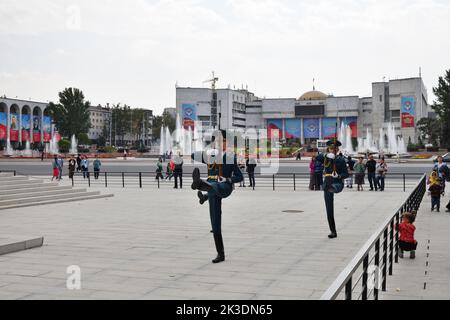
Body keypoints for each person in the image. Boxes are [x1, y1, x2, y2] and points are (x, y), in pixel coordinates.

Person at [191, 129, 243, 263]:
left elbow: (240, 177)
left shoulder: (231, 157)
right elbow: (192, 155)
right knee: (215, 223)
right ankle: (220, 254)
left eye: (222, 141)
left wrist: (228, 180)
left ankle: (202, 187)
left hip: (225, 186)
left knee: (214, 186)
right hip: (213, 189)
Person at [315, 139, 349, 239]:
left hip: (337, 182)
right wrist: (326, 155)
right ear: (328, 149)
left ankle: (333, 188)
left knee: (335, 187)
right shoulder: (326, 157)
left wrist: (338, 176)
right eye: (331, 149)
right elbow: (317, 157)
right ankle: (333, 231)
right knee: (329, 209)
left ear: (337, 150)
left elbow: (346, 174)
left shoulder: (341, 160)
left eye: (334, 149)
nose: (333, 150)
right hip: (328, 182)